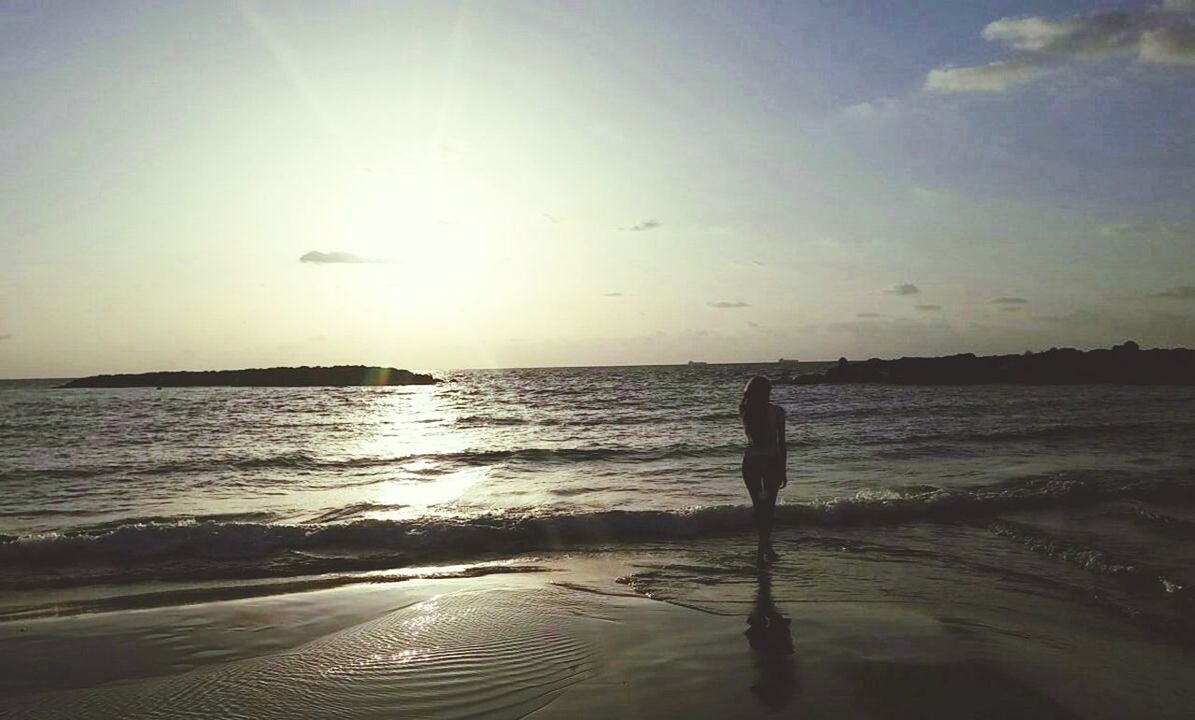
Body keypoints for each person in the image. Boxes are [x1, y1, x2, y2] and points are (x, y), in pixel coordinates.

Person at [739, 375, 786, 565]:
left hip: (751, 462)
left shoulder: (746, 410)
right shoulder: (777, 412)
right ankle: (764, 550)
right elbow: (781, 443)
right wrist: (783, 468)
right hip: (770, 462)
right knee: (768, 508)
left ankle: (764, 550)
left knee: (760, 508)